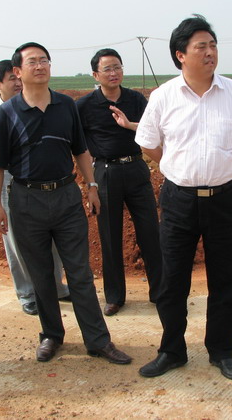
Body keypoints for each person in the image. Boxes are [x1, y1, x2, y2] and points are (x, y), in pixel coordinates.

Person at [135, 16, 232, 380]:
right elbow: (148, 144)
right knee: (172, 280)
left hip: (227, 198)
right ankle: (172, 350)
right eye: (201, 46)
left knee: (226, 279)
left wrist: (229, 165)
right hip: (178, 200)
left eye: (213, 45)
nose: (210, 52)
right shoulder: (163, 96)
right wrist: (177, 168)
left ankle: (221, 351)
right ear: (180, 55)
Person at [0, 42, 132, 365]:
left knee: (80, 273)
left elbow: (80, 149)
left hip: (66, 197)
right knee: (41, 275)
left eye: (44, 60)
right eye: (32, 61)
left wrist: (91, 186)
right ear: (18, 71)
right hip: (26, 199)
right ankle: (52, 335)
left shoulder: (66, 105)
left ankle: (98, 340)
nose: (40, 66)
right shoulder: (7, 113)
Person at [0, 60, 70, 316]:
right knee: (16, 239)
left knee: (50, 235)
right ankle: (28, 293)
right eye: (12, 79)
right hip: (8, 176)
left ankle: (56, 287)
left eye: (19, 77)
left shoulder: (33, 103)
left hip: (38, 177)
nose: (18, 83)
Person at [76, 48, 162, 316]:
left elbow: (154, 130)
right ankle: (114, 297)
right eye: (108, 69)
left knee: (150, 231)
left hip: (136, 168)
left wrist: (129, 124)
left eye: (118, 67)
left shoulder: (136, 99)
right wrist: (89, 183)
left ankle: (160, 292)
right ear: (96, 75)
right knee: (110, 235)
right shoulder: (84, 106)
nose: (114, 73)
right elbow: (77, 144)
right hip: (105, 172)